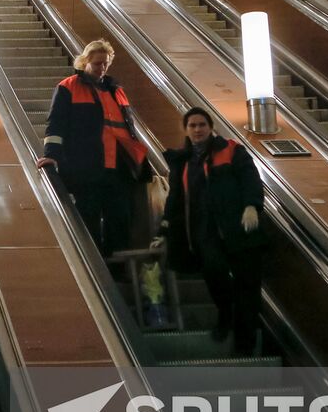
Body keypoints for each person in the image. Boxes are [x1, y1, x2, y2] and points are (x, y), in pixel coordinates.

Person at [160, 107, 266, 354]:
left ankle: (245, 344)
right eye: (192, 125)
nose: (197, 130)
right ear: (186, 129)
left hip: (240, 231)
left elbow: (250, 178)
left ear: (211, 127)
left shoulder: (231, 150)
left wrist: (252, 206)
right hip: (205, 233)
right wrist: (163, 229)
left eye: (202, 125)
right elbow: (175, 200)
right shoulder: (183, 161)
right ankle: (225, 316)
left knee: (247, 289)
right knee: (214, 274)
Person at [37, 39, 149, 256]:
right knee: (89, 217)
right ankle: (96, 267)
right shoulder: (68, 87)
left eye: (106, 63)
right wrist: (52, 156)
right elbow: (56, 124)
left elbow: (128, 129)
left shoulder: (116, 90)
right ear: (85, 61)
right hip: (87, 167)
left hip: (117, 167)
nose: (102, 68)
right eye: (98, 63)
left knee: (120, 219)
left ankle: (119, 272)